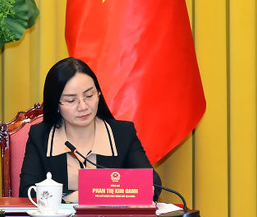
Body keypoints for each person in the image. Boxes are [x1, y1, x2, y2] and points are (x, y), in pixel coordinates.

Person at [19, 57, 161, 202]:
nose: (83, 107)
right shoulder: (41, 136)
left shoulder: (122, 134)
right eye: (71, 100)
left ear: (98, 93)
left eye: (89, 95)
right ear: (56, 104)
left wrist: (91, 195)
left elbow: (153, 184)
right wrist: (73, 197)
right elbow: (27, 192)